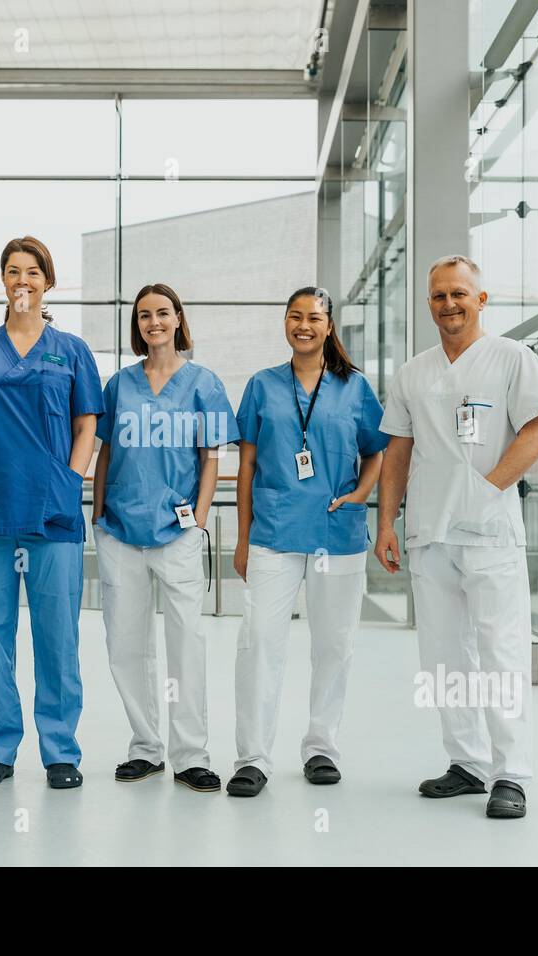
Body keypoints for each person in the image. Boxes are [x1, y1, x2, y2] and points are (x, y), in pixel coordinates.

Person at [374, 254, 538, 820]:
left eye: (458, 294)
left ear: (481, 299)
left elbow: (536, 435)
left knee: (501, 651)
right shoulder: (413, 372)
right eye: (438, 296)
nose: (448, 304)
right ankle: (467, 762)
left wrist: (485, 490)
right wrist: (386, 522)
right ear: (428, 304)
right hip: (430, 531)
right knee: (445, 655)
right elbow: (397, 450)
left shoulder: (512, 359)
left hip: (491, 532)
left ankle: (511, 773)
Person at [0, 236, 104, 790]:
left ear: (47, 281)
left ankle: (61, 751)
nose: (23, 281)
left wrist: (69, 480)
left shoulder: (72, 350)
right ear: (3, 280)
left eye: (32, 272)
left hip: (53, 513)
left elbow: (88, 425)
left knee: (57, 637)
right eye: (13, 271)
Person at [228, 287, 388, 797]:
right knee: (259, 644)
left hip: (336, 535)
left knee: (334, 646)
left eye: (313, 318)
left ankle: (321, 747)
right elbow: (247, 466)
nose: (303, 325)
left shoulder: (355, 387)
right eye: (295, 316)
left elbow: (375, 452)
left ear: (329, 325)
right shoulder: (262, 385)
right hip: (273, 534)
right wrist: (242, 539)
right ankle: (253, 757)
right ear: (286, 323)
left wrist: (361, 495)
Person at [92, 284, 239, 793]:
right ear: (137, 325)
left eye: (161, 313)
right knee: (126, 646)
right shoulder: (119, 385)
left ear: (178, 318)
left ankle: (191, 753)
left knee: (186, 644)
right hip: (119, 531)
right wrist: (97, 514)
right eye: (144, 315)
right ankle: (145, 747)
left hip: (176, 533)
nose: (153, 321)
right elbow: (105, 451)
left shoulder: (204, 382)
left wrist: (199, 520)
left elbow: (212, 456)